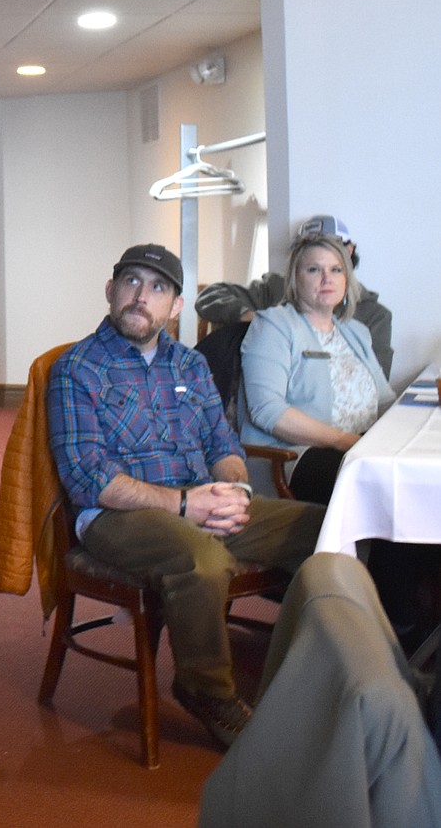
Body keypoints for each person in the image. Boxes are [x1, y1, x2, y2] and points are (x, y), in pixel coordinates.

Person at [47, 243, 324, 751]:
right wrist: (182, 505)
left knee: (328, 530)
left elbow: (224, 445)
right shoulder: (77, 369)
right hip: (115, 515)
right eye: (131, 282)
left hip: (198, 499)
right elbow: (88, 478)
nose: (140, 296)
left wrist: (235, 490)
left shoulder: (190, 366)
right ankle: (206, 689)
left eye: (157, 288)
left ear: (175, 306)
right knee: (202, 559)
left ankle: (324, 675)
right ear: (111, 292)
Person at [237, 232, 394, 506]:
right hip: (293, 456)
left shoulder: (355, 331)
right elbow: (268, 410)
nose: (327, 278)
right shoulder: (273, 325)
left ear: (347, 279)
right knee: (384, 487)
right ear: (295, 278)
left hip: (358, 449)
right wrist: (345, 442)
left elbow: (385, 400)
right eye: (314, 269)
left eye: (336, 269)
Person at [195, 215, 393, 378]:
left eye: (334, 265)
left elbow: (377, 383)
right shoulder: (274, 289)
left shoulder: (373, 316)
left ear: (348, 252)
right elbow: (211, 296)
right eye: (313, 267)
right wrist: (252, 318)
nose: (325, 276)